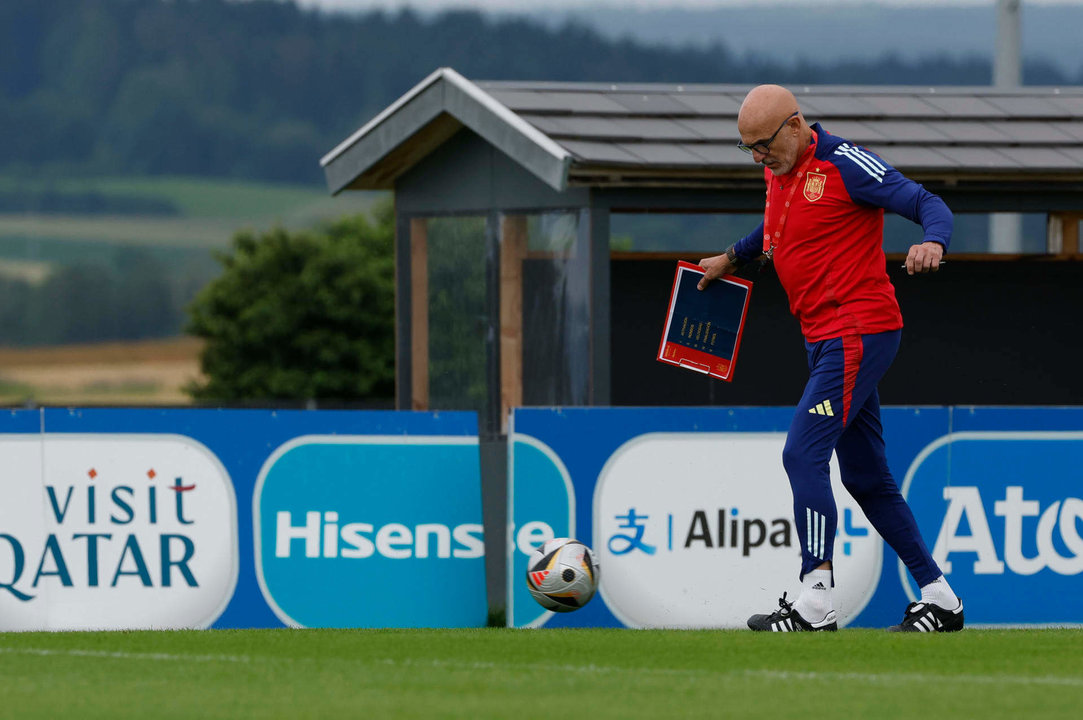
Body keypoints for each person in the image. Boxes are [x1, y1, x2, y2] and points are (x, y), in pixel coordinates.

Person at [697, 84, 963, 632]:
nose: (756, 157)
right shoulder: (778, 171)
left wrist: (933, 241)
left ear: (795, 125)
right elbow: (774, 231)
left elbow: (924, 202)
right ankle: (941, 597)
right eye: (746, 147)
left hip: (858, 331)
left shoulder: (845, 163)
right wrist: (730, 257)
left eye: (763, 144)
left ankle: (815, 597)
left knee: (802, 453)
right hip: (823, 338)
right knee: (866, 478)